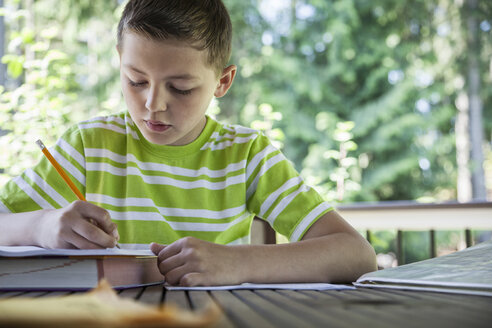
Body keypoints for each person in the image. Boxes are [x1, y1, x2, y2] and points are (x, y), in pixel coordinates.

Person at [0, 0, 376, 286]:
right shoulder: (89, 146)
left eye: (181, 88)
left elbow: (356, 255)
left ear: (222, 82)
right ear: (120, 61)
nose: (153, 105)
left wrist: (238, 262)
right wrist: (42, 226)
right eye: (136, 80)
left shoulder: (246, 155)